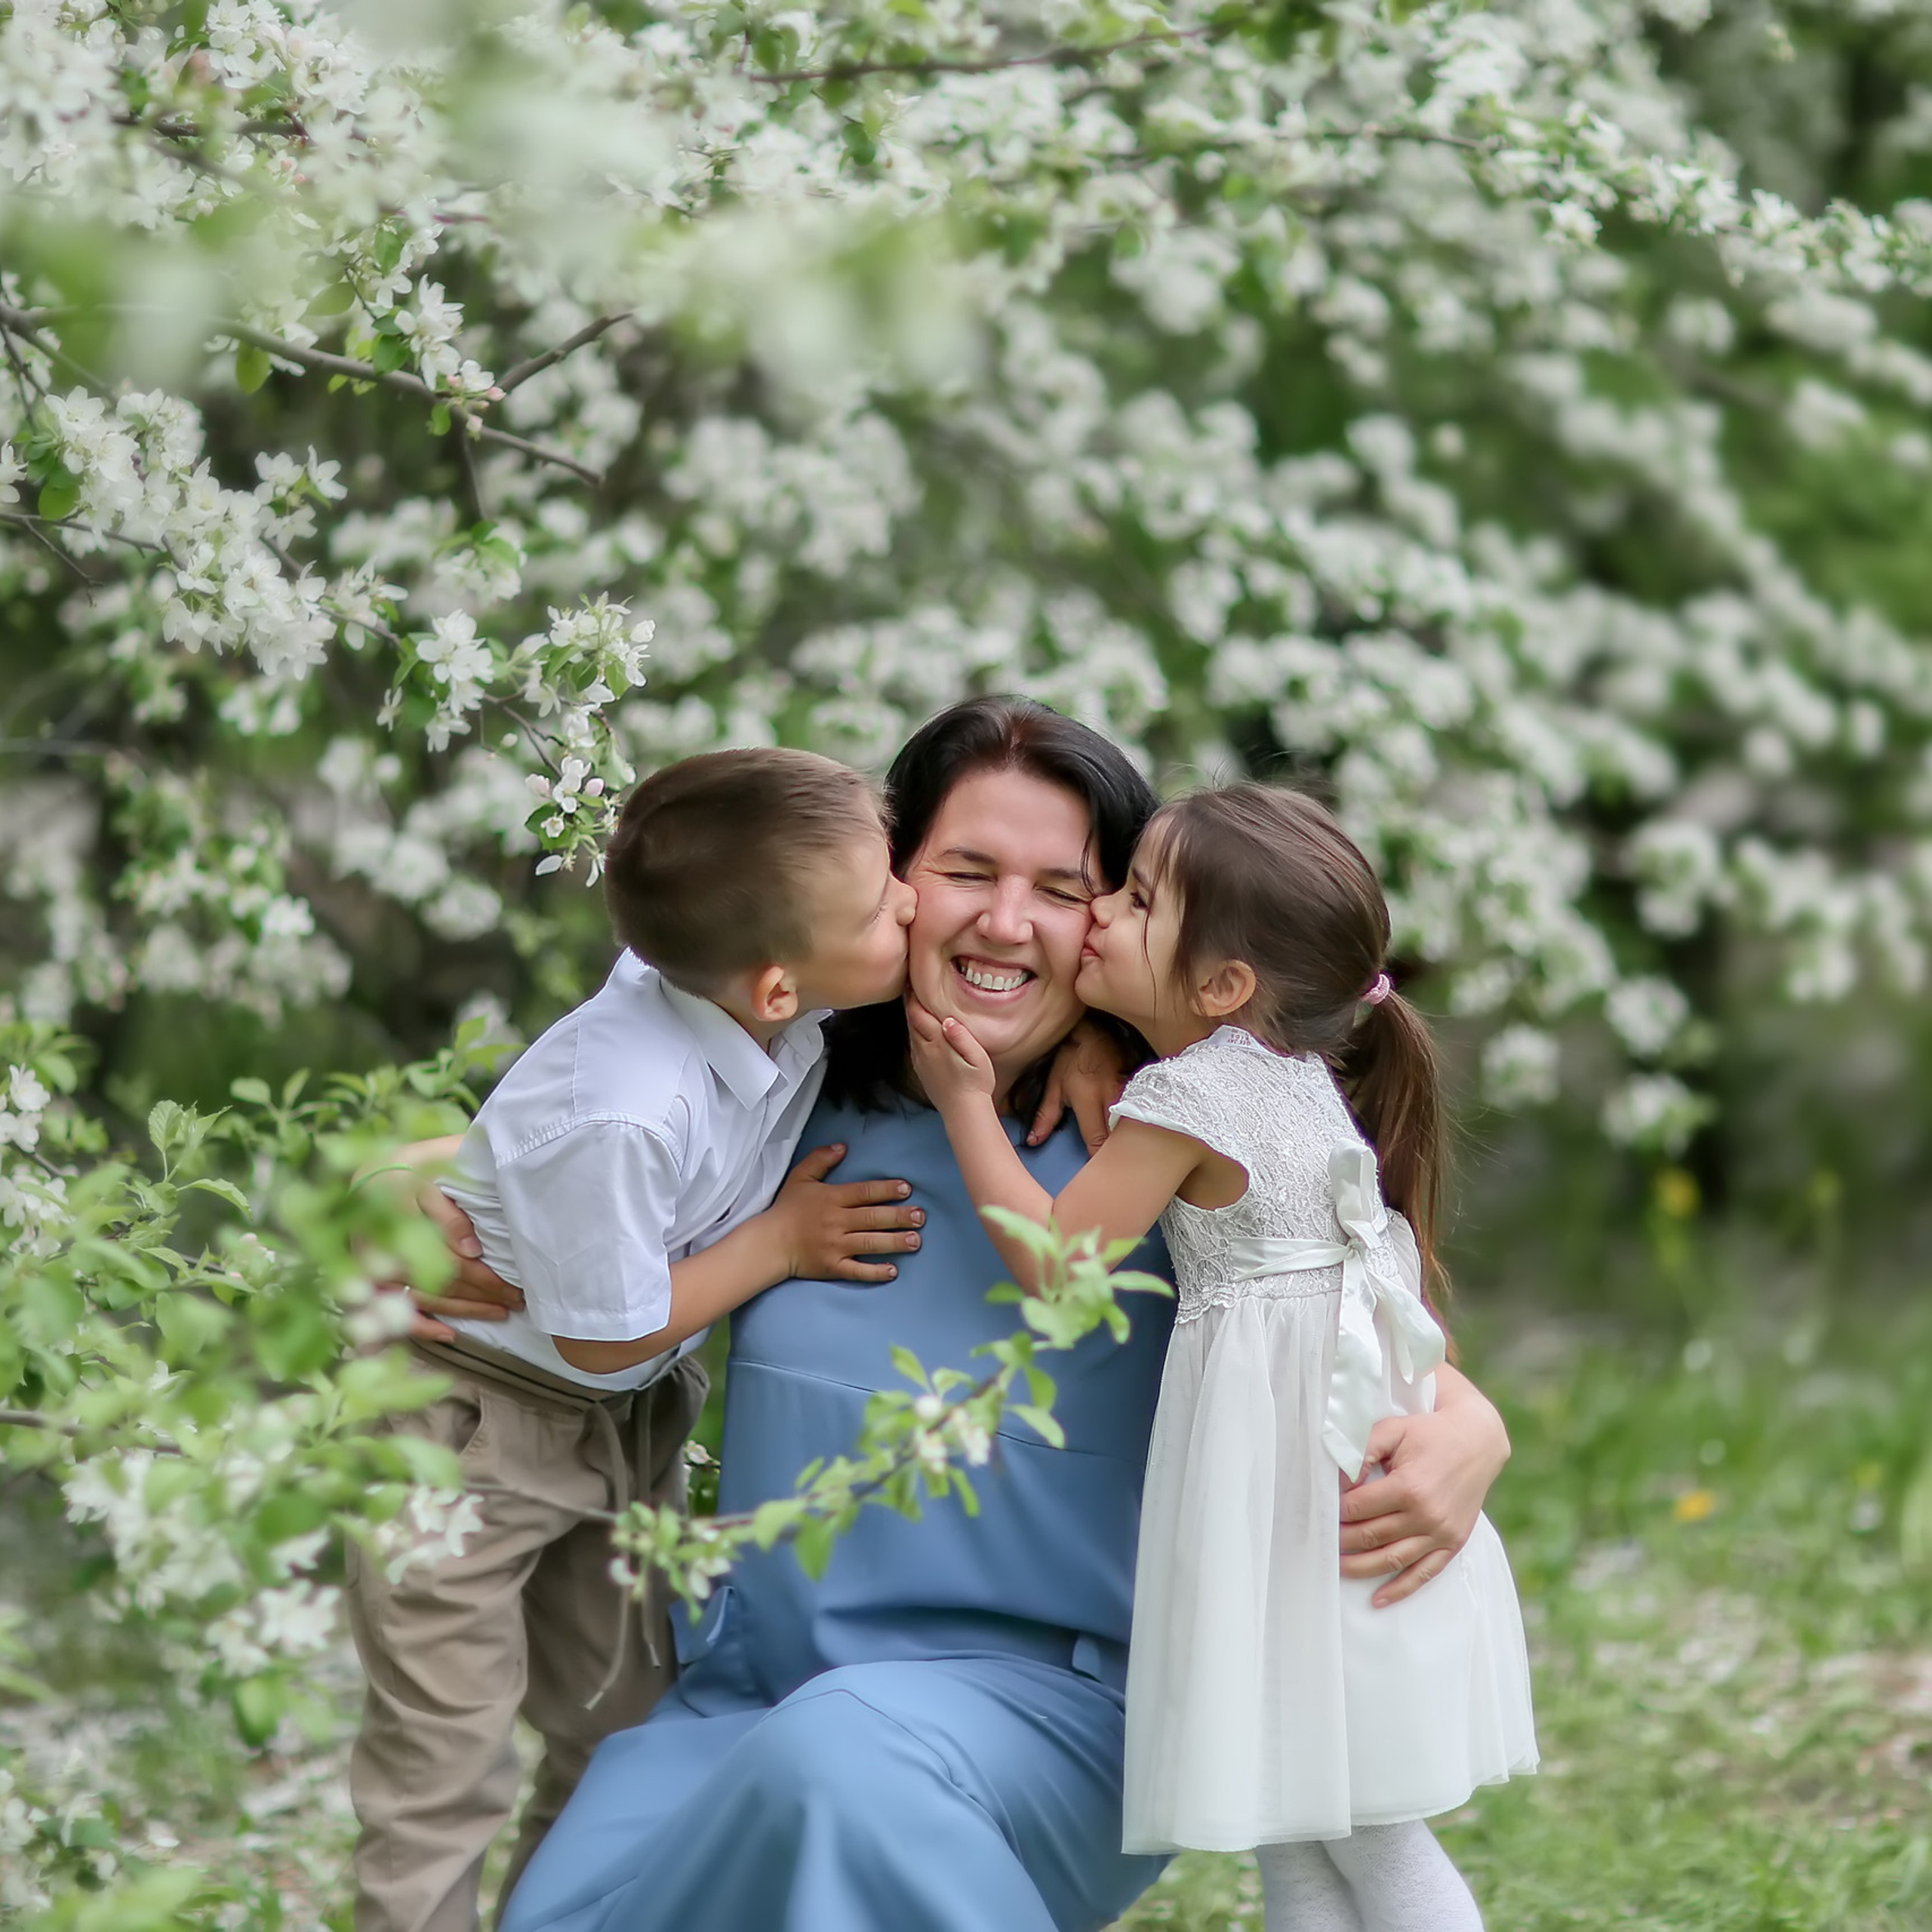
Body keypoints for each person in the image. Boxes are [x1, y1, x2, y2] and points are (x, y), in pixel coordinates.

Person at [423, 698, 1513, 1932]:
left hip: (1049, 1728)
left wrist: (1473, 1428)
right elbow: (553, 1135)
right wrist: (395, 1196)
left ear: (1119, 924)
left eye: (1066, 886)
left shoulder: (1160, 1145)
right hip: (749, 1704)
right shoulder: (784, 1091)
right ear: (887, 884)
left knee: (842, 1776)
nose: (1006, 921)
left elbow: (1357, 1331)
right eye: (965, 872)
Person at [909, 782, 1537, 1930]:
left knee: (1364, 1839)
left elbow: (1058, 1267)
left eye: (1139, 900)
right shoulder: (1296, 1086)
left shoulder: (1191, 1094)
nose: (1100, 909)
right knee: (1301, 1831)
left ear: (1223, 986)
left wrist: (965, 1105)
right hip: (1329, 1466)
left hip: (1290, 1496)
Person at [349, 746, 927, 1932]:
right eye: (884, 903)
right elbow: (604, 1337)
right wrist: (778, 1242)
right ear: (776, 986)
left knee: (616, 1724)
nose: (912, 900)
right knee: (443, 1755)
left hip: (613, 1427)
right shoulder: (625, 1108)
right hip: (466, 1415)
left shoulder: (762, 1005)